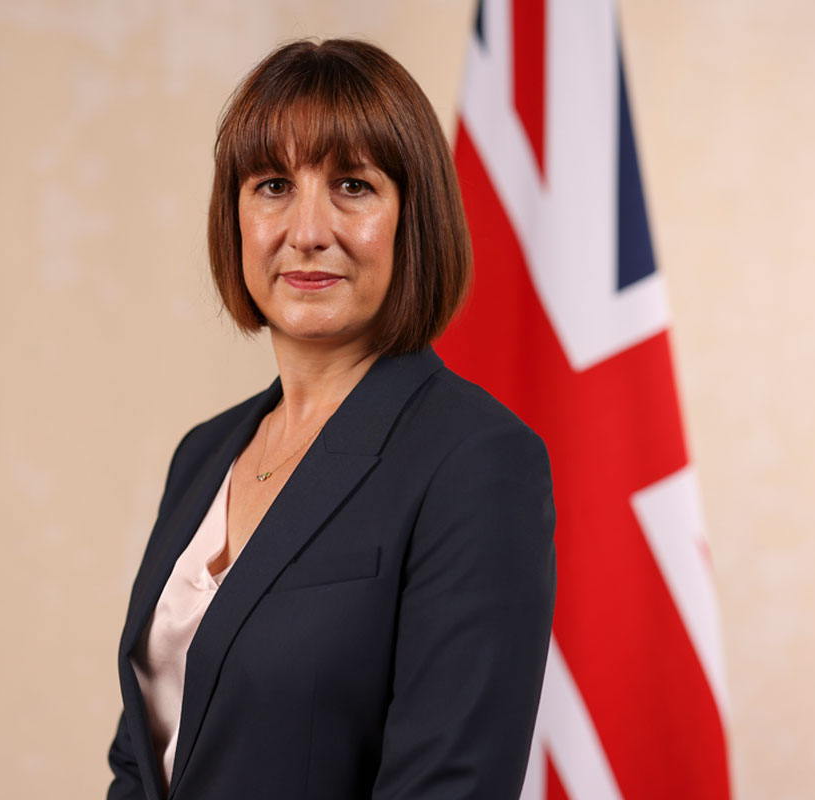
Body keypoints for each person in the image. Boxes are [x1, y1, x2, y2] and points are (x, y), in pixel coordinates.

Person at [107, 38, 555, 800]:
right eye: (274, 184)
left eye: (352, 184)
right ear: (236, 216)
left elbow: (449, 788)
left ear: (414, 218)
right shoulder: (204, 453)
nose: (307, 230)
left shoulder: (477, 461)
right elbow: (142, 761)